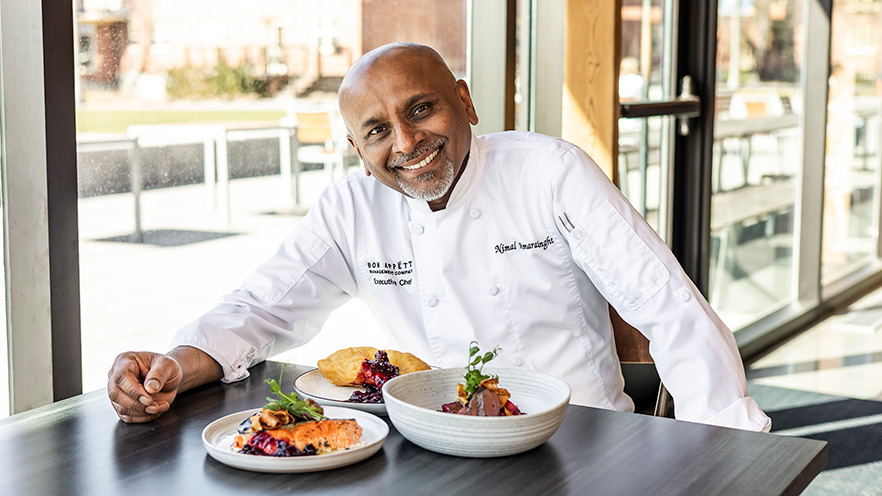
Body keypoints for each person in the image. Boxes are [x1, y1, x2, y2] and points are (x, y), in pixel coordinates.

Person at [108, 42, 771, 432]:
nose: (406, 143)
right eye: (377, 130)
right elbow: (259, 307)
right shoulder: (352, 209)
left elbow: (670, 309)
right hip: (433, 442)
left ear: (465, 102)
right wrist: (171, 365)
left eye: (421, 109)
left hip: (579, 440)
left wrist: (734, 454)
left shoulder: (548, 171)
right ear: (356, 148)